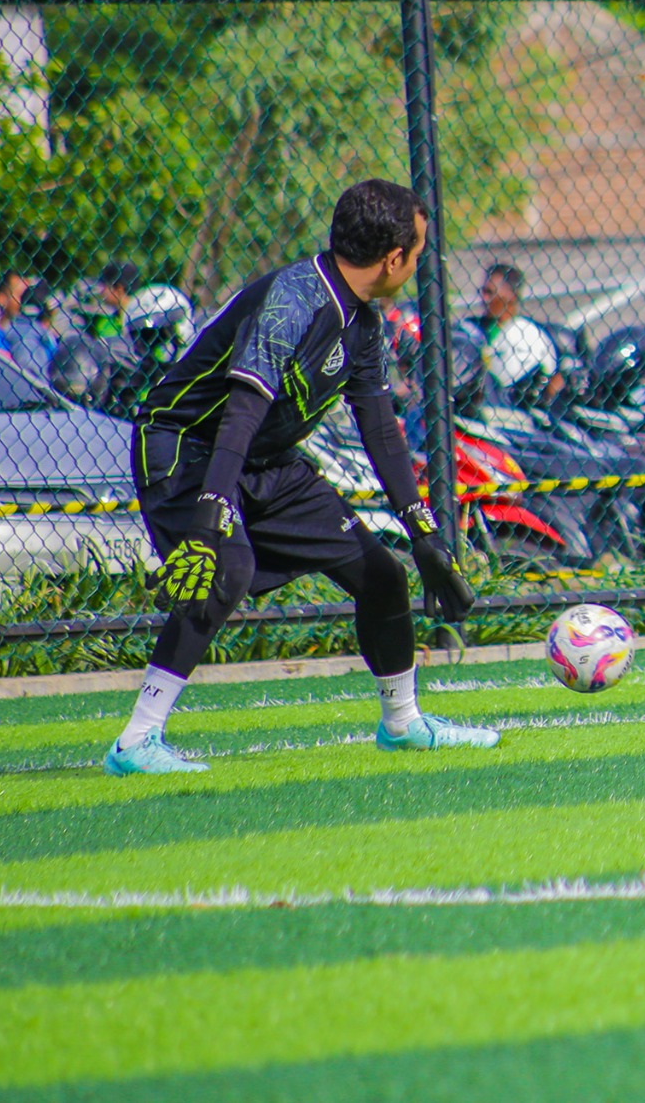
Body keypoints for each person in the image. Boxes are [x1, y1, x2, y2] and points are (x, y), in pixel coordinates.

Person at [105, 180, 494, 775]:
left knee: (382, 574)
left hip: (265, 458)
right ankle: (136, 741)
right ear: (393, 259)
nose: (418, 262)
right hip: (188, 447)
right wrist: (210, 510)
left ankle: (403, 723)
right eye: (417, 251)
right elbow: (241, 407)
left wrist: (424, 535)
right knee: (223, 568)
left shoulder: (362, 322)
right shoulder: (295, 296)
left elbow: (381, 430)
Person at [478, 263, 563, 402]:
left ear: (511, 296)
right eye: (483, 292)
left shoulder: (531, 335)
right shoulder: (474, 329)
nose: (484, 299)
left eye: (490, 293)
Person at [0, 270, 53, 378]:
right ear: (1, 299)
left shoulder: (43, 343)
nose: (28, 300)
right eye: (22, 295)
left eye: (30, 294)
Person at [87, 262, 141, 340]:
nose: (101, 291)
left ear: (119, 289)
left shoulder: (139, 321)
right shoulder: (106, 323)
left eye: (105, 285)